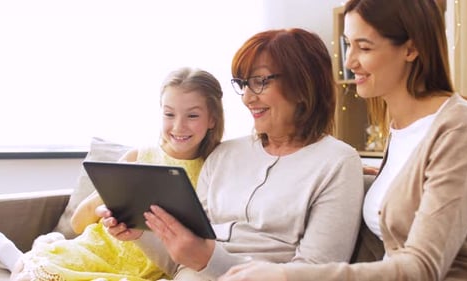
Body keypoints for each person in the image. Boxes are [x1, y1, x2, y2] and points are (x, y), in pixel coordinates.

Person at [218, 0, 467, 280]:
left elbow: (422, 268)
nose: (349, 61)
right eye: (348, 44)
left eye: (365, 47)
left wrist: (285, 276)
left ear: (411, 48)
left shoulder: (461, 127)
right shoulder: (400, 127)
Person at [98, 28, 365, 281]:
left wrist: (209, 259)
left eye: (259, 82)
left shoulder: (338, 163)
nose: (247, 98)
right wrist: (140, 235)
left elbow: (315, 274)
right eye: (243, 84)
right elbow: (180, 262)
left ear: (303, 85)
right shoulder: (224, 154)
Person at [0, 66, 225, 281]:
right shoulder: (139, 157)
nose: (178, 126)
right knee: (41, 273)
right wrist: (115, 196)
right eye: (169, 114)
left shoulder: (215, 167)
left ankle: (21, 260)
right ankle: (19, 261)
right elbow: (78, 222)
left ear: (212, 119)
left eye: (192, 116)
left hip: (152, 263)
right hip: (101, 248)